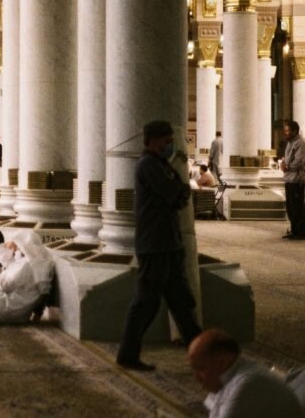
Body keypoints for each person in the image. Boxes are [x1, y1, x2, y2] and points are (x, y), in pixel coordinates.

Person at [116, 120, 202, 372]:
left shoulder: (161, 164)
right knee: (146, 303)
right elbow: (176, 193)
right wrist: (180, 192)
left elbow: (180, 193)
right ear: (153, 141)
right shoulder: (148, 165)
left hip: (168, 243)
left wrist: (180, 192)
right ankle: (127, 354)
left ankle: (202, 353)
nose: (171, 145)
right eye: (167, 141)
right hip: (155, 245)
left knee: (182, 302)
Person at [187, 328, 304, 417]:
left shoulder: (246, 385)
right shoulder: (227, 375)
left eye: (201, 369)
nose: (196, 377)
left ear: (222, 362)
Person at [280, 120, 305, 240]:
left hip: (296, 179)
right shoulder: (290, 142)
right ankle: (294, 230)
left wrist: (287, 166)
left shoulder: (300, 143)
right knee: (290, 207)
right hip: (289, 179)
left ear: (295, 131)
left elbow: (299, 161)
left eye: (288, 130)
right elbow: (288, 159)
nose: (286, 132)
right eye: (285, 130)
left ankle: (300, 231)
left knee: (297, 206)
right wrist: (283, 163)